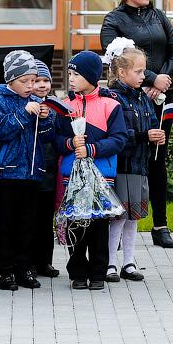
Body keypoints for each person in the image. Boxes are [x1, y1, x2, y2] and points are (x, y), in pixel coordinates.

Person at [100, 0, 173, 249]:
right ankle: (117, 226)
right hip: (128, 99)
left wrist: (161, 80)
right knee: (125, 156)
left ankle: (161, 225)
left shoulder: (158, 16)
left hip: (161, 97)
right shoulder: (114, 20)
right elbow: (116, 58)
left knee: (157, 158)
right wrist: (149, 79)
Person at [0, 49, 52, 291]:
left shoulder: (36, 101)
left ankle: (25, 268)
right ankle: (5, 270)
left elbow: (46, 135)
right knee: (7, 223)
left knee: (28, 223)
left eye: (33, 80)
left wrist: (46, 118)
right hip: (8, 171)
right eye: (25, 81)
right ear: (10, 79)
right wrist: (24, 112)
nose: (30, 86)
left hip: (32, 171)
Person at [56, 51, 128, 291]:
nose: (71, 79)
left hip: (101, 177)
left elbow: (119, 139)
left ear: (91, 76)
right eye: (69, 74)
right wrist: (70, 144)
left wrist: (92, 149)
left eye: (76, 74)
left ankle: (98, 273)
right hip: (73, 177)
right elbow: (57, 140)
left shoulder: (111, 105)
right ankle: (78, 272)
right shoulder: (66, 107)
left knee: (98, 226)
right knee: (76, 224)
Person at [105, 40, 164, 282]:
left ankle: (128, 262)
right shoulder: (113, 98)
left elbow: (151, 123)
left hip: (140, 166)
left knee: (133, 217)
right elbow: (117, 134)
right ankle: (109, 262)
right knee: (118, 216)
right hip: (121, 166)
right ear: (121, 72)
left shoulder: (143, 98)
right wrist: (143, 136)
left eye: (143, 71)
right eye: (138, 72)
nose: (143, 76)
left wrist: (156, 135)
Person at [31, 60, 60, 279]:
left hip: (50, 170)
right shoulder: (27, 104)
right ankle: (30, 261)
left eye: (46, 80)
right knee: (30, 218)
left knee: (45, 220)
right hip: (32, 170)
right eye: (37, 81)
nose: (42, 85)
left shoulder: (56, 107)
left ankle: (45, 261)